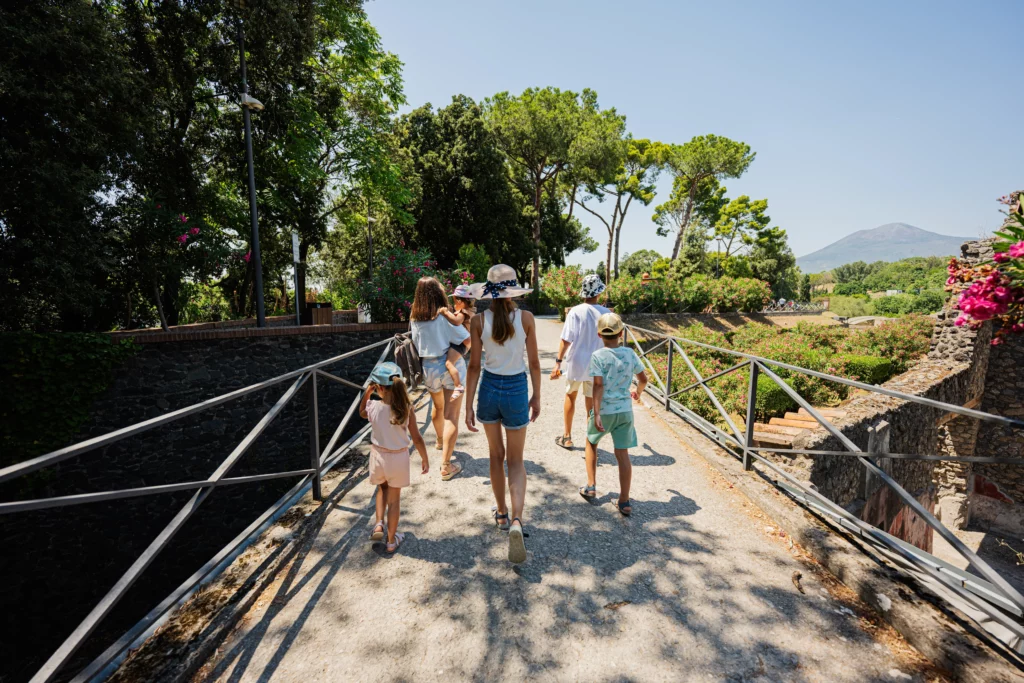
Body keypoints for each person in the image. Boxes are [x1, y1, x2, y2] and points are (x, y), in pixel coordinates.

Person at [464, 264, 541, 564]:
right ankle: (518, 522)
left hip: (490, 389)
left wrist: (469, 404)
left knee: (495, 456)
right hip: (516, 389)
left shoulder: (478, 320)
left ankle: (501, 514)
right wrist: (537, 396)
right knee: (516, 460)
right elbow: (534, 363)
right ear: (513, 291)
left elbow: (473, 367)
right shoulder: (526, 318)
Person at [579, 312, 648, 517]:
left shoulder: (598, 356)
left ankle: (591, 485)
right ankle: (625, 500)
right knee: (622, 454)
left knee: (591, 442)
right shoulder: (629, 353)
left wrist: (596, 413)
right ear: (621, 332)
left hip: (605, 411)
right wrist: (637, 393)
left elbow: (598, 386)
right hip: (625, 411)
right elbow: (643, 379)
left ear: (599, 335)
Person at [359, 362, 429, 553]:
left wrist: (367, 392)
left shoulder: (373, 406)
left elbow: (362, 411)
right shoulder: (406, 408)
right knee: (395, 500)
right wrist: (425, 458)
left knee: (382, 489)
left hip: (378, 456)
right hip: (398, 458)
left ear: (378, 388)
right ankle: (391, 541)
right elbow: (417, 437)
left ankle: (379, 524)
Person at [410, 277, 469, 480]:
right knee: (451, 415)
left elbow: (416, 344)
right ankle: (446, 465)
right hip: (448, 364)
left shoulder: (414, 318)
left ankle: (439, 440)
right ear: (438, 294)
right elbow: (466, 339)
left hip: (428, 368)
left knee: (437, 406)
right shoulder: (444, 317)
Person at [550, 274, 609, 450]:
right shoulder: (606, 313)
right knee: (591, 402)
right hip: (597, 364)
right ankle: (590, 438)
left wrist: (558, 362)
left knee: (570, 395)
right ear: (599, 292)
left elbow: (566, 339)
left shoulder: (576, 311)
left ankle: (567, 437)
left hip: (576, 362)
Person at [437, 284, 477, 400]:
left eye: (454, 301)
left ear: (460, 300)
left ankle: (458, 385)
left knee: (449, 363)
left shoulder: (464, 312)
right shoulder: (468, 311)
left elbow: (456, 322)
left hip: (460, 344)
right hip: (462, 343)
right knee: (450, 363)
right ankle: (457, 385)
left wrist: (445, 313)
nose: (454, 304)